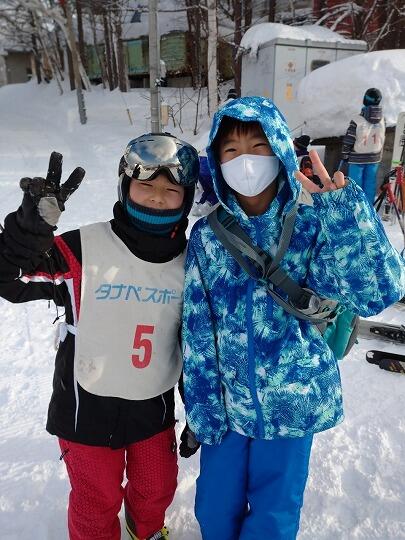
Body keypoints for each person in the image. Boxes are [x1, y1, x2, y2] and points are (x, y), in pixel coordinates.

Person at [181, 96, 405, 540]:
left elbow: (377, 292)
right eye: (231, 150)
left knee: (274, 518)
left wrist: (345, 214)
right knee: (214, 510)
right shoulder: (208, 237)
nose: (245, 161)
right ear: (217, 162)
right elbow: (197, 330)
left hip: (294, 404)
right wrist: (202, 407)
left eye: (258, 147)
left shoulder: (312, 227)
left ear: (281, 150)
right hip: (228, 408)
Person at [0, 133, 200, 540]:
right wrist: (25, 236)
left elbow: (194, 344)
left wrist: (199, 409)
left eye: (171, 190)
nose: (157, 197)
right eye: (146, 185)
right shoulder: (83, 248)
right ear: (125, 186)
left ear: (187, 198)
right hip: (85, 407)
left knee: (156, 487)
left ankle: (145, 531)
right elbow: (11, 279)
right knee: (96, 497)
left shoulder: (192, 263)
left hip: (153, 405)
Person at [340, 87, 385, 205]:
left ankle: (356, 208)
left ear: (365, 100)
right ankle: (368, 208)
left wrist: (345, 154)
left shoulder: (357, 120)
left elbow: (349, 139)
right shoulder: (382, 120)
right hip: (374, 157)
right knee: (370, 184)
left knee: (355, 185)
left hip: (357, 158)